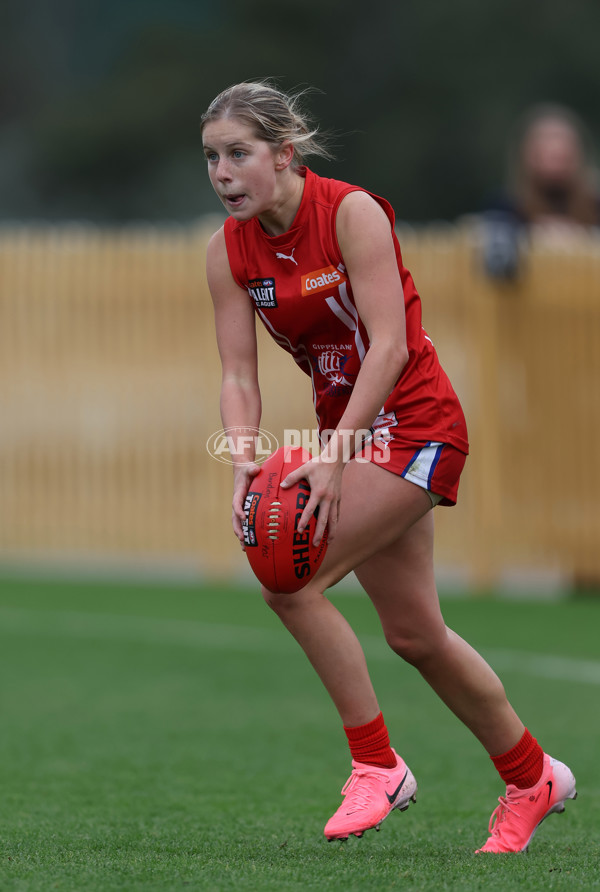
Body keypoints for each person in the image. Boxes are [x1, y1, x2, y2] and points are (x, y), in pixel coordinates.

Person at [201, 80, 577, 853]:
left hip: (417, 424)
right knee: (415, 634)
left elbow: (392, 343)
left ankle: (376, 765)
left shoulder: (350, 212)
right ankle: (533, 776)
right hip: (353, 434)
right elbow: (238, 375)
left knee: (289, 578)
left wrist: (336, 455)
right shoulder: (226, 252)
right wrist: (242, 456)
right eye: (211, 158)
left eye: (239, 154)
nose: (223, 173)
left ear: (284, 153)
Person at [482, 103, 600, 280]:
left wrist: (583, 237)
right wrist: (532, 236)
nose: (556, 163)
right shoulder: (505, 206)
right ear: (528, 157)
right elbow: (494, 266)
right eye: (547, 154)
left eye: (562, 156)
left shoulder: (594, 202)